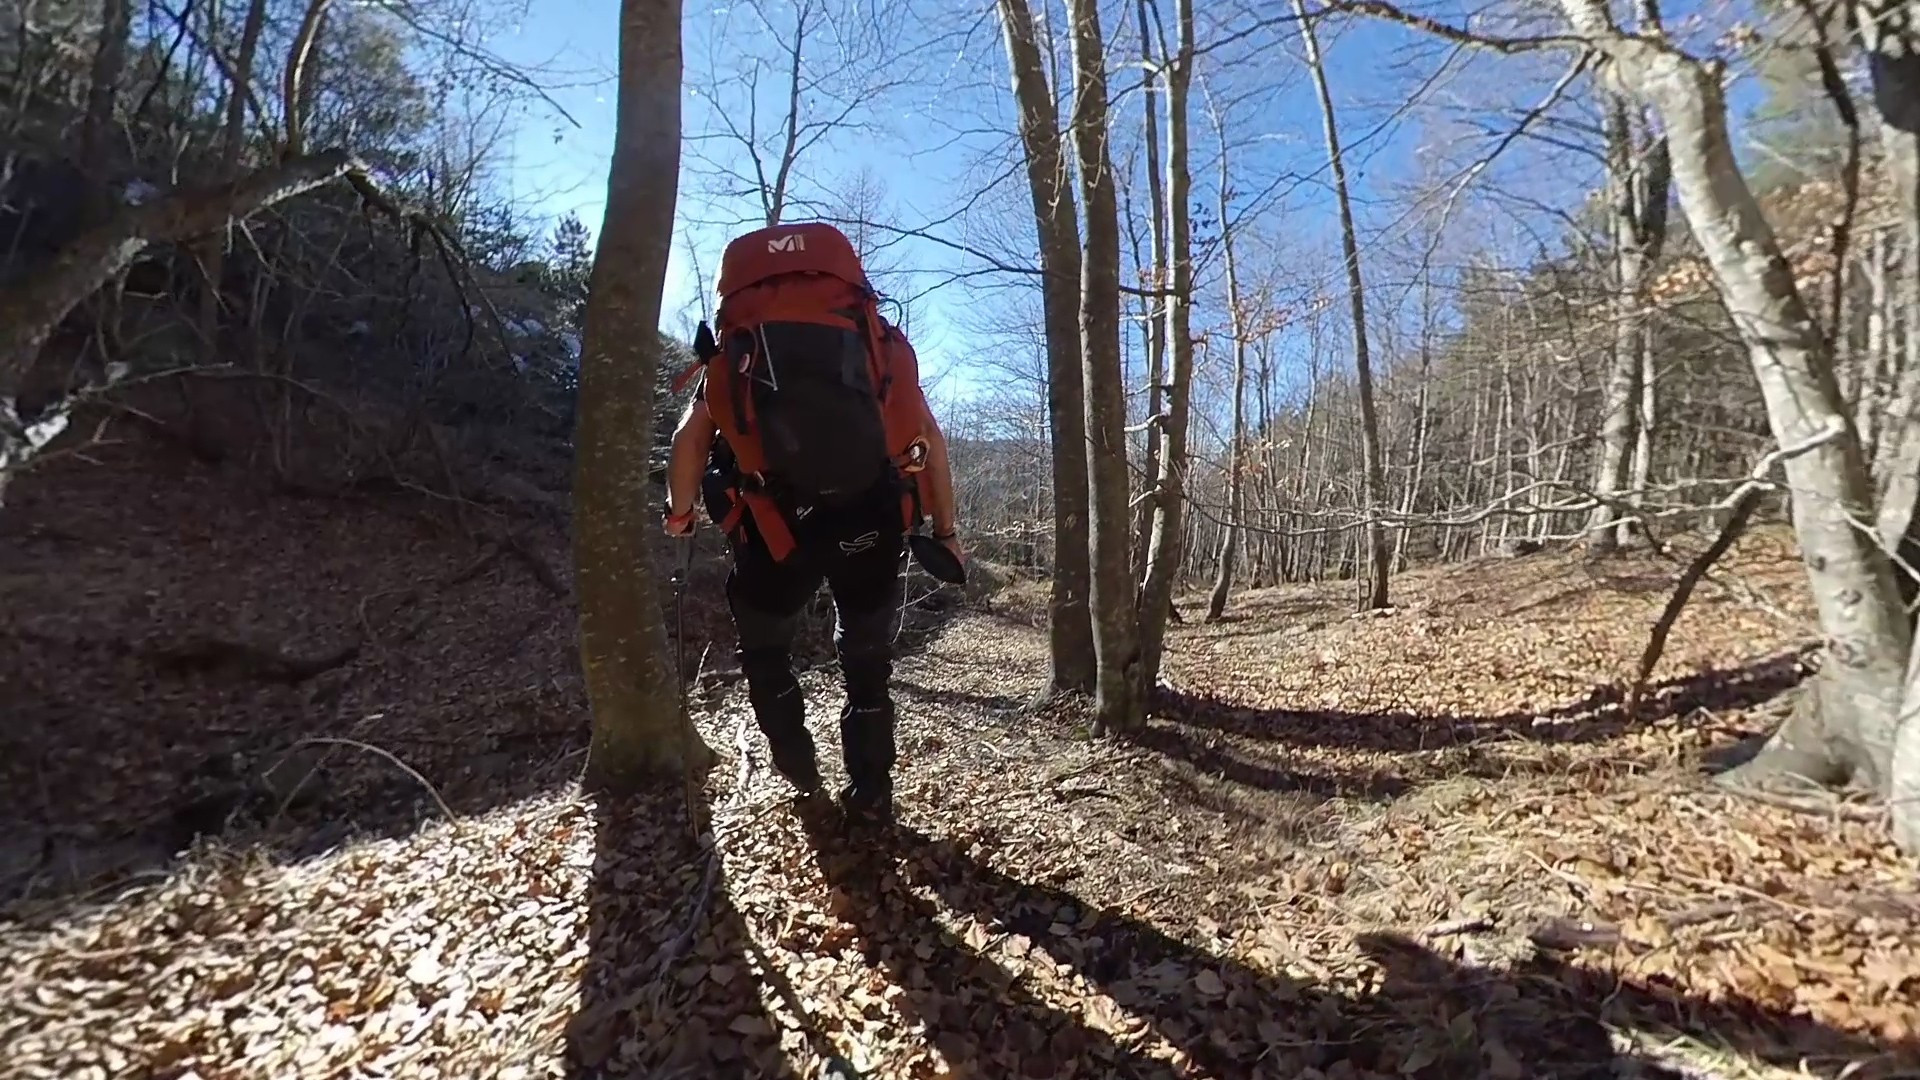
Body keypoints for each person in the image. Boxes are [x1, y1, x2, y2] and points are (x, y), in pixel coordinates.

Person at [660, 222, 961, 824]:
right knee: (867, 657)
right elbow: (929, 438)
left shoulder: (729, 356)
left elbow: (689, 441)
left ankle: (800, 775)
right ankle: (871, 788)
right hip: (871, 522)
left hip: (774, 532)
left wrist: (681, 513)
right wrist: (946, 532)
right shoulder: (884, 345)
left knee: (766, 654)